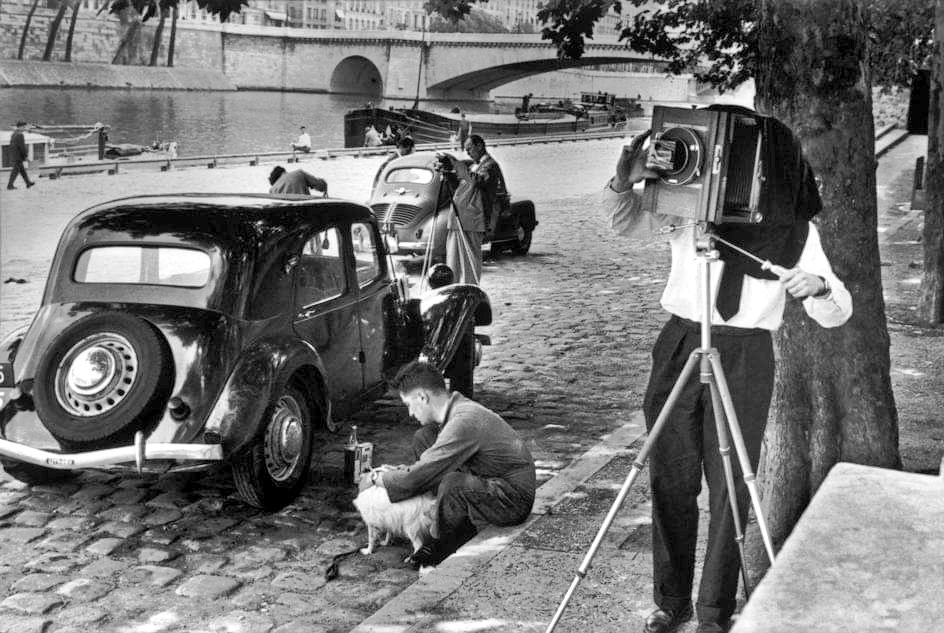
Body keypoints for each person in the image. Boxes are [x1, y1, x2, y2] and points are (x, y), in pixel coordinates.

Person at [601, 113, 853, 633]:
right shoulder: (691, 207)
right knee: (669, 477)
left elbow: (838, 310)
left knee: (731, 486)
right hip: (680, 342)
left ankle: (715, 613)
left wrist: (819, 288)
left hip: (745, 354)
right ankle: (671, 602)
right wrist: (627, 175)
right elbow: (623, 221)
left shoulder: (796, 232)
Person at [363, 360, 536, 567]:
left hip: (512, 499)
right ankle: (448, 518)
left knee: (453, 483)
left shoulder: (463, 420)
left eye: (409, 405)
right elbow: (429, 465)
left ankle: (441, 542)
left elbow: (417, 477)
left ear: (422, 397)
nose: (410, 413)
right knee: (424, 437)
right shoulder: (457, 409)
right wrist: (403, 473)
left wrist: (377, 477)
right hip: (488, 480)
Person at [7, 121, 35, 190]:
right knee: (15, 171)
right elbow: (22, 147)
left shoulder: (14, 134)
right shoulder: (20, 135)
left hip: (14, 155)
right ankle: (10, 186)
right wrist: (25, 156)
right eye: (24, 127)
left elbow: (12, 146)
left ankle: (28, 183)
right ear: (20, 127)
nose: (25, 128)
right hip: (18, 157)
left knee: (22, 170)